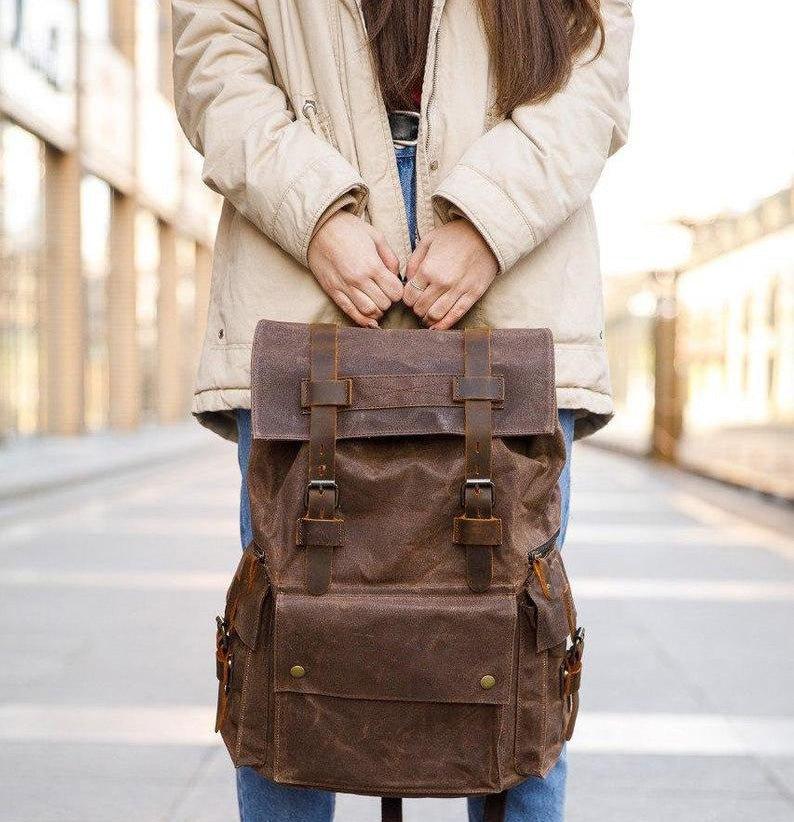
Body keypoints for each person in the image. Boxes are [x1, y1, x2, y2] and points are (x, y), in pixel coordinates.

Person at [171, 1, 633, 819]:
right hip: (301, 258)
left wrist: (488, 220)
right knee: (291, 618)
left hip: (515, 271)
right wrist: (314, 212)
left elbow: (590, 67)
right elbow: (216, 60)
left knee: (512, 628)